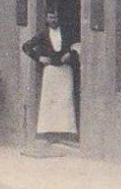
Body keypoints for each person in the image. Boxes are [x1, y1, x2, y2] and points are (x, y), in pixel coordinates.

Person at [21, 9, 81, 142]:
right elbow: (26, 46)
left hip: (65, 70)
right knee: (49, 101)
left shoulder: (67, 33)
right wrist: (39, 58)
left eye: (56, 17)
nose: (53, 20)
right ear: (47, 19)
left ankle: (67, 131)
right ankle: (47, 131)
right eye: (51, 17)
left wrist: (70, 54)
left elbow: (78, 45)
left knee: (65, 100)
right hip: (50, 71)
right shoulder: (43, 34)